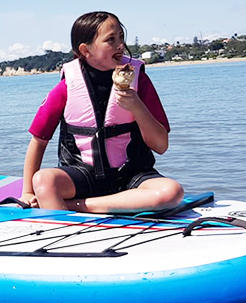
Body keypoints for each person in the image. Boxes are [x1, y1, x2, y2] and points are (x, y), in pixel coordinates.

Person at [21, 11, 183, 213]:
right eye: (111, 40)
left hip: (132, 175)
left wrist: (137, 107)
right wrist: (27, 192)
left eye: (121, 38)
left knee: (172, 192)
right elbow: (39, 140)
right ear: (85, 49)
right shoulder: (67, 87)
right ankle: (68, 222)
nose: (120, 45)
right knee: (43, 181)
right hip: (83, 174)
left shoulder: (139, 81)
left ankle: (76, 207)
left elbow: (161, 145)